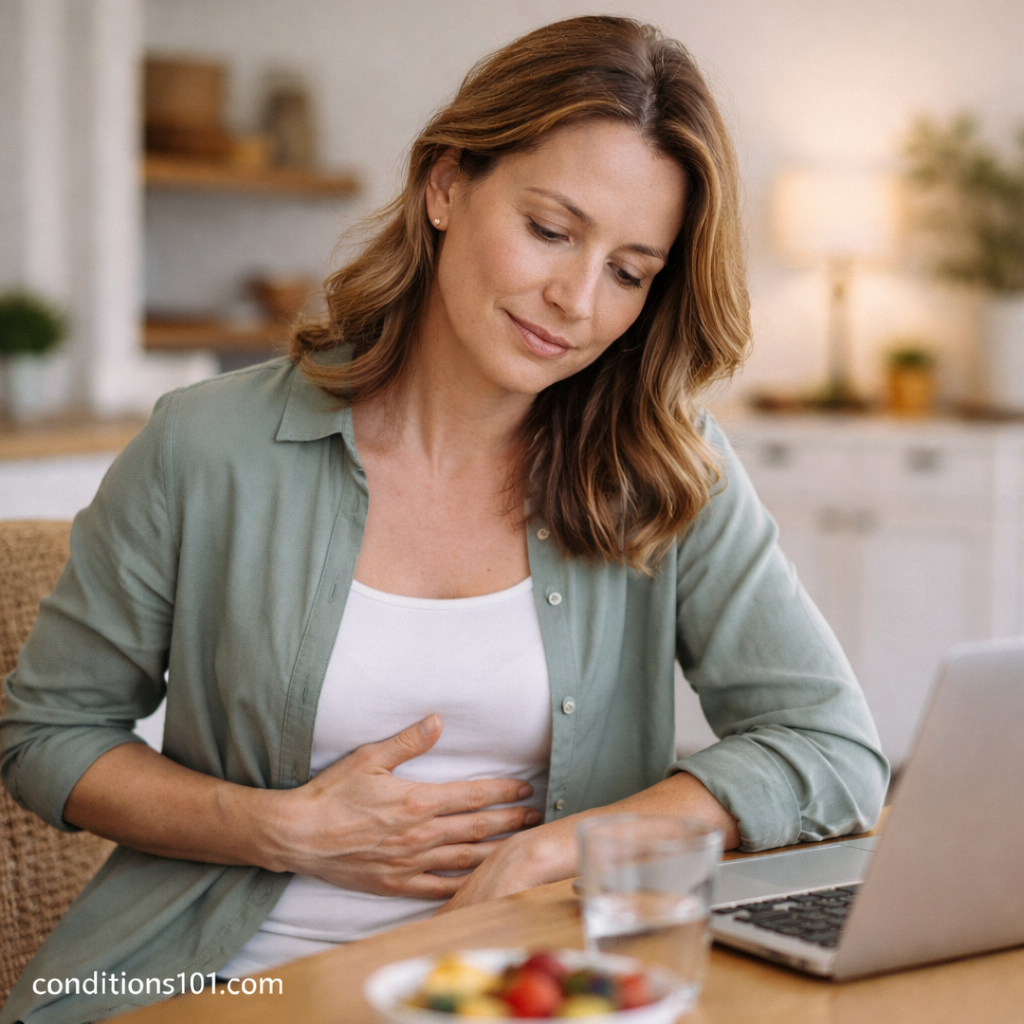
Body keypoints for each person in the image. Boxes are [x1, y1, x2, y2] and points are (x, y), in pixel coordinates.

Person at [0, 16, 888, 1024]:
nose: (574, 298)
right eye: (550, 228)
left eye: (629, 271)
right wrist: (279, 830)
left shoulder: (665, 466)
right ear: (446, 184)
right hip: (224, 982)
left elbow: (831, 747)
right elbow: (47, 735)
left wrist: (567, 848)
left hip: (533, 990)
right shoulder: (207, 446)